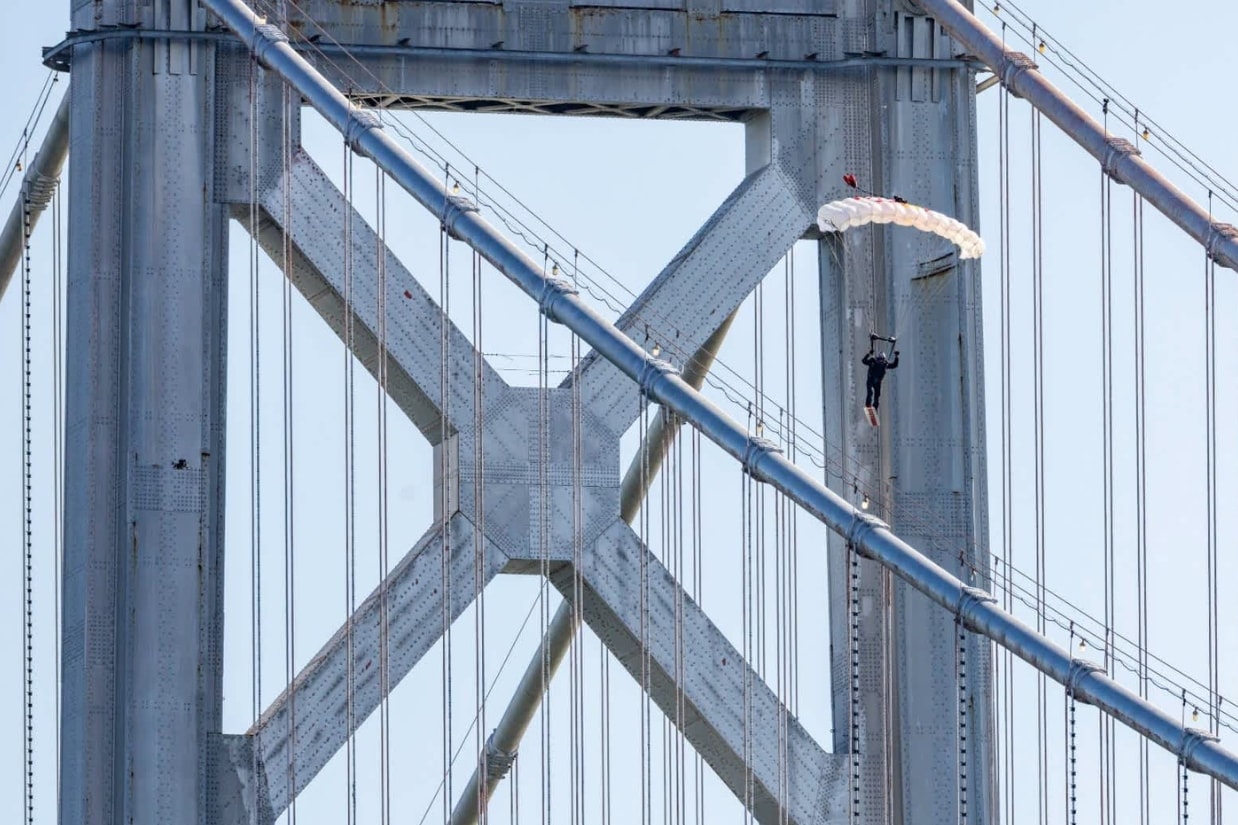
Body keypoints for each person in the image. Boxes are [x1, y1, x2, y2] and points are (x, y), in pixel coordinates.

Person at [862, 343, 899, 412]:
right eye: (879, 359)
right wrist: (868, 354)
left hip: (878, 382)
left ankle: (874, 410)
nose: (880, 361)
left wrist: (896, 357)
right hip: (870, 380)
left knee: (877, 396)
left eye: (882, 360)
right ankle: (868, 406)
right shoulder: (873, 361)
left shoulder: (885, 364)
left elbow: (894, 365)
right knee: (870, 392)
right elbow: (864, 361)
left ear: (884, 360)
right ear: (877, 358)